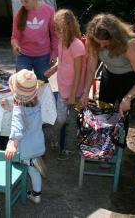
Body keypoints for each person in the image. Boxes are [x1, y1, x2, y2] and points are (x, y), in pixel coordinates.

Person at [81, 13, 135, 120]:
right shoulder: (92, 41)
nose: (101, 46)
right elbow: (91, 69)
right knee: (104, 112)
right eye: (98, 42)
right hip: (108, 74)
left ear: (114, 38)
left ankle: (121, 135)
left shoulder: (127, 44)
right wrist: (86, 91)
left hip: (128, 78)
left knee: (122, 116)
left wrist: (128, 97)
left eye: (104, 42)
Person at [44, 9, 86, 160]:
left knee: (72, 120)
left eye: (60, 29)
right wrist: (53, 69)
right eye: (55, 28)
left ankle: (69, 148)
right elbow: (62, 61)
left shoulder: (77, 45)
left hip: (74, 91)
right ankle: (54, 138)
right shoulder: (62, 41)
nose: (56, 32)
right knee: (61, 118)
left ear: (69, 27)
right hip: (62, 88)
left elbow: (79, 72)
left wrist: (74, 95)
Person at [3, 69, 48, 204]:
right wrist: (10, 107)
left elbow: (17, 129)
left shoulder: (18, 109)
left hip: (24, 148)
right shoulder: (37, 102)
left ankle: (22, 164)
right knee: (33, 172)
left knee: (8, 153)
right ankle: (36, 195)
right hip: (38, 143)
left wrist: (12, 145)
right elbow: (26, 114)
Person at [11, 0, 58, 82]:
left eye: (26, 1)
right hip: (23, 56)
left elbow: (54, 35)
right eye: (21, 1)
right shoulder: (18, 14)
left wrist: (54, 53)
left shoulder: (49, 10)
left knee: (43, 86)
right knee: (21, 85)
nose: (23, 4)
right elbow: (15, 37)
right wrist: (15, 46)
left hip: (43, 56)